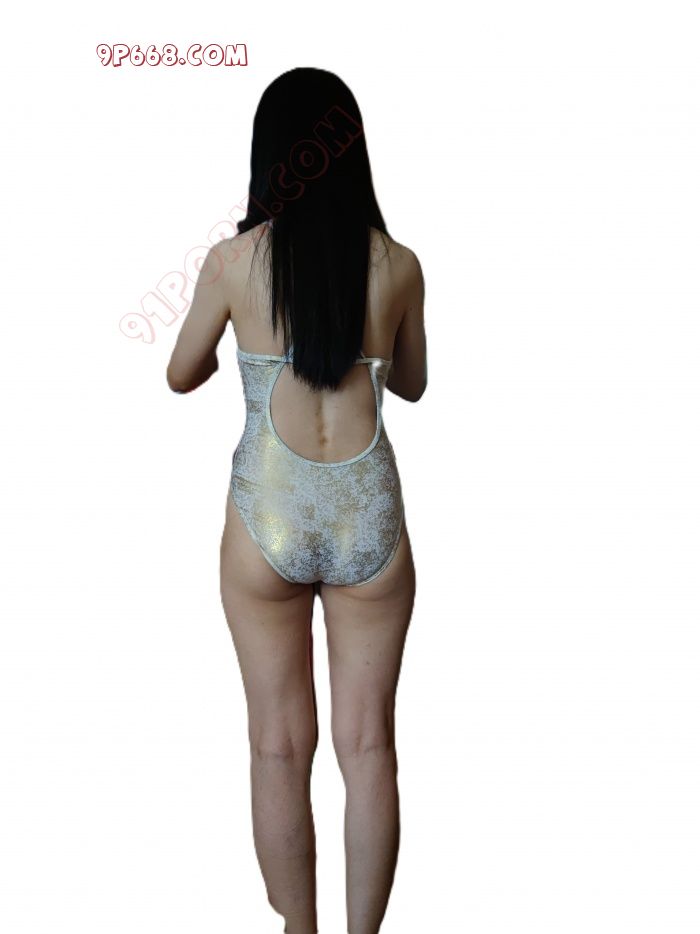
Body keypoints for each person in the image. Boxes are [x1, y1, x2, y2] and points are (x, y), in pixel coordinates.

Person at [166, 67, 427, 934]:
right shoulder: (398, 264)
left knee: (278, 744)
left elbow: (179, 374)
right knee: (369, 744)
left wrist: (229, 344)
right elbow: (413, 383)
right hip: (368, 514)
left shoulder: (233, 261)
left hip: (265, 515)